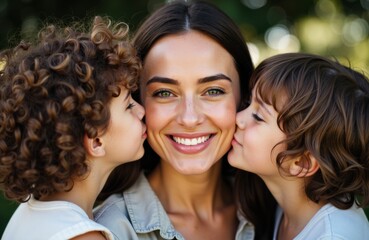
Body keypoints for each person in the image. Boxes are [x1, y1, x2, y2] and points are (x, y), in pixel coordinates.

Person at [94, 0, 259, 239]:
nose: (189, 118)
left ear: (243, 97)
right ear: (138, 102)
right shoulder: (110, 231)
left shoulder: (275, 213)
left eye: (213, 91)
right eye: (164, 93)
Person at [0, 16, 146, 240]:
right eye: (129, 105)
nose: (142, 110)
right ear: (96, 142)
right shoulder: (82, 237)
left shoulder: (30, 213)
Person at [228, 52, 369, 239]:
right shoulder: (283, 205)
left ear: (302, 162)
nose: (238, 118)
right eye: (248, 103)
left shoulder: (334, 236)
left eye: (258, 116)